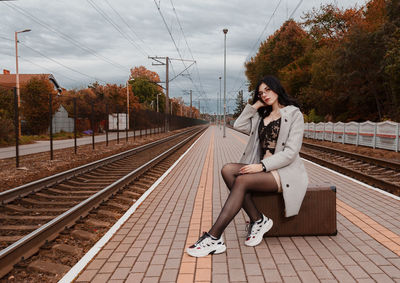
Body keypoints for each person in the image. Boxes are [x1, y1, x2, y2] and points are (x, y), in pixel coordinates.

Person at [187, 75, 309, 257]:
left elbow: (291, 153)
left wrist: (261, 166)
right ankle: (258, 220)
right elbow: (238, 124)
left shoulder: (293, 114)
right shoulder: (262, 116)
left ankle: (214, 237)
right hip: (264, 169)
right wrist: (255, 106)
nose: (265, 95)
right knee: (227, 170)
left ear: (277, 88)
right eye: (261, 93)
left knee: (242, 182)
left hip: (283, 172)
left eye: (268, 89)